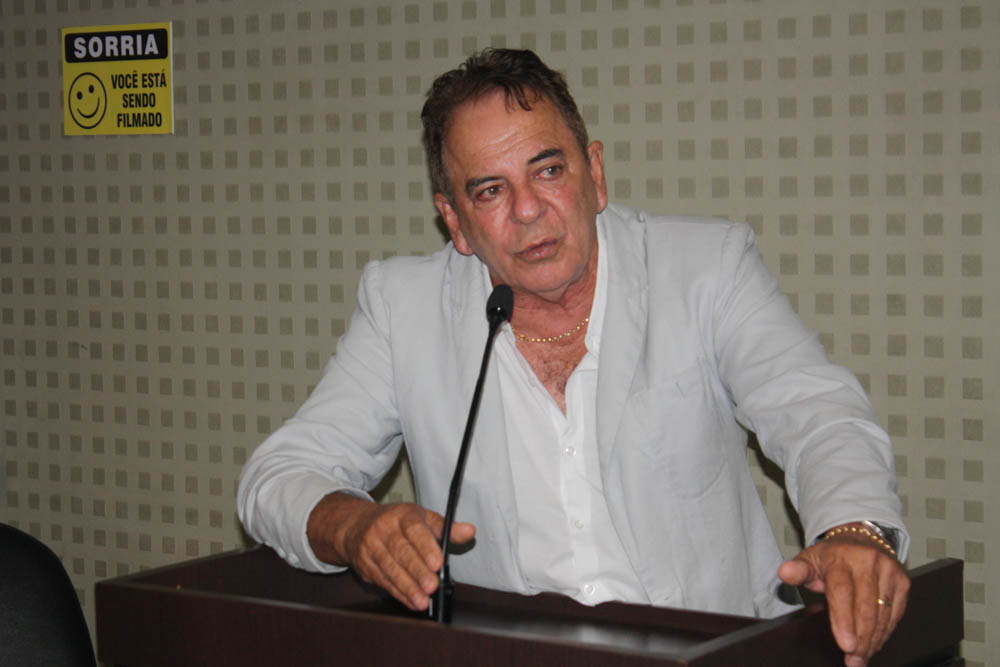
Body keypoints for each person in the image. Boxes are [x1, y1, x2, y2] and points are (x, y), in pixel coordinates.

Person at [238, 48, 909, 667]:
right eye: (490, 190)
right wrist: (356, 527)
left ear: (595, 174)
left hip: (709, 653)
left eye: (548, 170)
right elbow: (277, 476)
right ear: (455, 222)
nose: (529, 210)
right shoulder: (401, 309)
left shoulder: (706, 269)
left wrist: (854, 530)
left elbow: (818, 415)